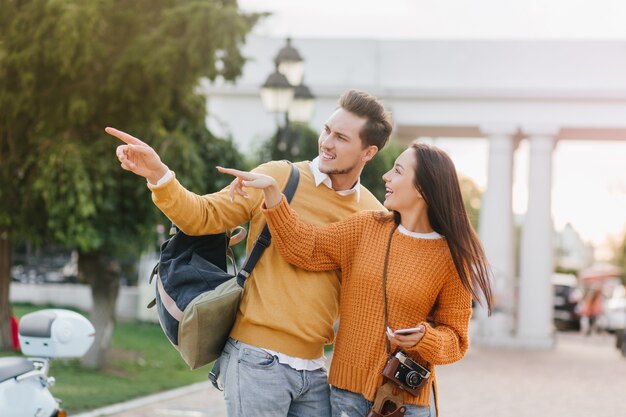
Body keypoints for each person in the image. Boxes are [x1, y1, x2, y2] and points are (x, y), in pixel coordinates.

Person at [106, 90, 393, 417]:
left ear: (368, 151)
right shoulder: (281, 177)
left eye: (341, 137)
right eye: (327, 130)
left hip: (315, 369)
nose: (326, 142)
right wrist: (159, 175)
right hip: (256, 360)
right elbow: (202, 216)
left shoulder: (372, 212)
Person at [219, 142, 494, 417]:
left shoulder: (452, 258)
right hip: (346, 398)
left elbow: (456, 340)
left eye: (397, 171)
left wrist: (426, 338)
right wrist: (274, 195)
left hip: (403, 401)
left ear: (422, 188)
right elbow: (306, 248)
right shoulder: (366, 227)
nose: (386, 176)